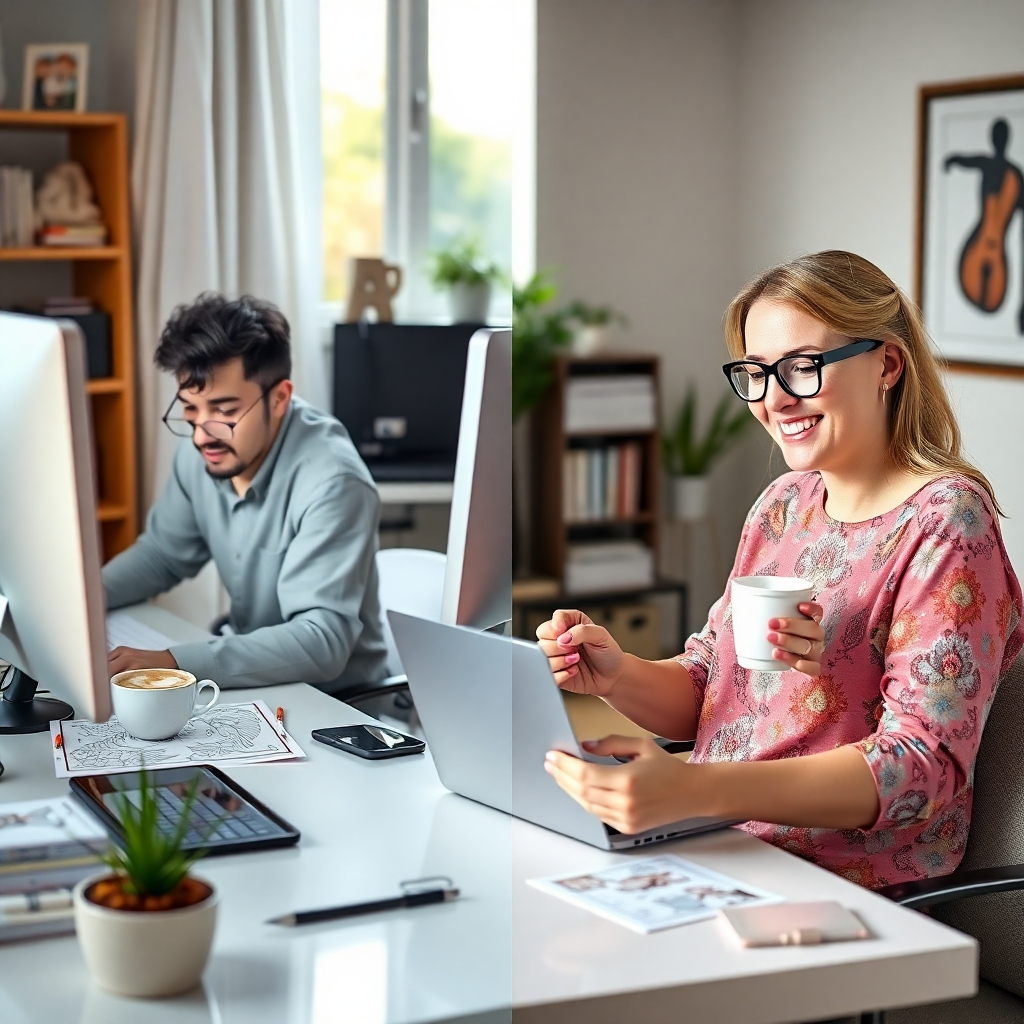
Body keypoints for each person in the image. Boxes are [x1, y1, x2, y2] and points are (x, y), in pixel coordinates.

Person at [538, 251, 1024, 889]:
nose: (774, 399)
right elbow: (713, 692)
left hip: (841, 886)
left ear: (887, 363)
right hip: (714, 846)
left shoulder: (945, 523)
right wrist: (617, 675)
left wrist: (693, 789)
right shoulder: (785, 504)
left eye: (802, 367)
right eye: (756, 373)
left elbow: (919, 767)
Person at [104, 293, 389, 695]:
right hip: (247, 687)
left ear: (279, 398)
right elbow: (163, 554)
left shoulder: (334, 482)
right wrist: (85, 600)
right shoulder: (205, 453)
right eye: (190, 409)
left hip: (335, 704)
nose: (203, 434)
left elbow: (323, 641)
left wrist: (173, 663)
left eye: (224, 411)